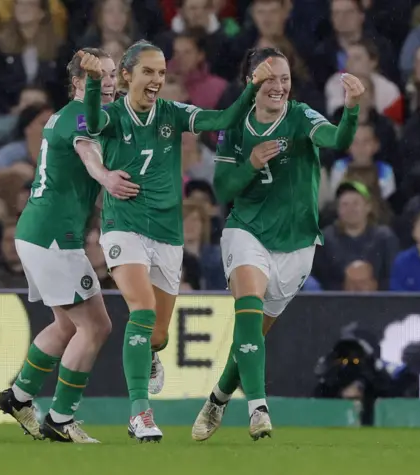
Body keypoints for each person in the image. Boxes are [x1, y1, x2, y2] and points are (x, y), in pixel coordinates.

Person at [78, 41, 274, 442]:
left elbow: (225, 117)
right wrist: (97, 83)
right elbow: (93, 123)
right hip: (122, 224)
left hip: (167, 233)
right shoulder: (114, 115)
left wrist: (252, 88)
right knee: (142, 309)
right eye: (148, 72)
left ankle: (149, 354)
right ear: (128, 75)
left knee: (159, 333)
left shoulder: (173, 113)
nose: (157, 80)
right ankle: (140, 414)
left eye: (162, 73)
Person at [191, 47, 364, 441]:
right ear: (252, 81)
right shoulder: (234, 128)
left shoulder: (301, 117)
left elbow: (336, 139)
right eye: (271, 78)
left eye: (285, 79)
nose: (279, 87)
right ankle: (258, 410)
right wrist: (250, 163)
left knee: (253, 335)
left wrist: (351, 109)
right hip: (246, 229)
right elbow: (222, 189)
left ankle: (218, 398)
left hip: (297, 241)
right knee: (247, 311)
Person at [0, 48, 139, 444]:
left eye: (112, 75)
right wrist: (107, 177)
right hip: (54, 237)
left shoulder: (74, 116)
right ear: (78, 84)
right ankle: (61, 418)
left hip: (40, 232)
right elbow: (87, 153)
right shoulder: (79, 117)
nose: (110, 82)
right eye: (100, 76)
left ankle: (19, 396)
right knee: (96, 325)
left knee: (66, 325)